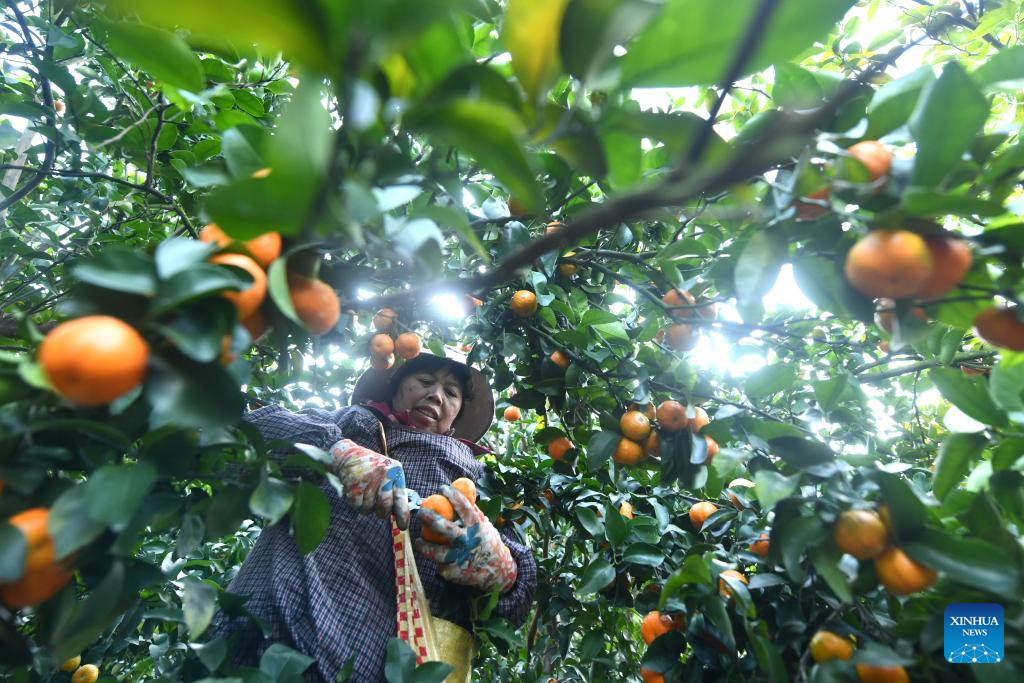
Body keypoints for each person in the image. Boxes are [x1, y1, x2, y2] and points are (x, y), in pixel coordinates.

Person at [208, 353, 537, 682]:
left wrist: (504, 573)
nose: (436, 395)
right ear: (395, 388)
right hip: (272, 625)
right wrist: (334, 451)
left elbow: (512, 603)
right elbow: (240, 440)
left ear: (456, 417)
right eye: (424, 382)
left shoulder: (479, 482)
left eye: (451, 392)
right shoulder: (352, 424)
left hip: (377, 660)